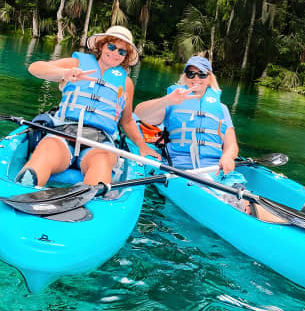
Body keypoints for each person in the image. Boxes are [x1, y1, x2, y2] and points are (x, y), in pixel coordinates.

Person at [135, 56, 286, 223]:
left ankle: (294, 220)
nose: (196, 78)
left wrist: (227, 156)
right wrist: (168, 100)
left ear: (209, 78)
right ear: (185, 77)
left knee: (241, 196)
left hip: (217, 171)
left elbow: (231, 145)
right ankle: (270, 218)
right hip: (182, 170)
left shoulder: (221, 109)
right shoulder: (172, 102)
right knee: (230, 201)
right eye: (191, 74)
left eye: (202, 74)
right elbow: (139, 113)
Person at [16, 25, 160, 187]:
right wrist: (64, 74)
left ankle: (93, 194)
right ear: (101, 45)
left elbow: (126, 121)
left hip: (100, 142)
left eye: (121, 51)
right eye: (111, 47)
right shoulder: (76, 63)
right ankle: (24, 186)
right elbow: (35, 67)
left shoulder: (126, 83)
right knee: (46, 151)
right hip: (63, 133)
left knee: (102, 162)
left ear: (126, 57)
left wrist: (142, 146)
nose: (115, 54)